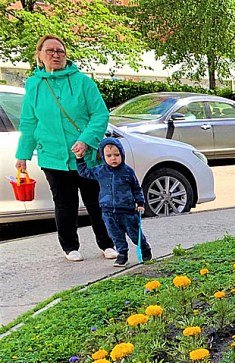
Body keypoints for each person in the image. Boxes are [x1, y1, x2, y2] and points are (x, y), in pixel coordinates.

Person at [14, 34, 118, 263]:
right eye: (50, 51)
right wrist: (22, 154)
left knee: (96, 201)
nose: (55, 55)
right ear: (40, 55)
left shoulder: (82, 82)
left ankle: (108, 243)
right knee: (64, 203)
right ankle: (70, 246)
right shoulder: (34, 85)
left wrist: (86, 140)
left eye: (60, 51)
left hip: (86, 156)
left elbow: (99, 114)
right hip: (52, 156)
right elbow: (29, 121)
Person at [76, 137, 151, 267]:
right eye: (109, 156)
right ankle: (122, 254)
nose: (113, 158)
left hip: (127, 211)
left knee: (134, 233)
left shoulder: (127, 171)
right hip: (108, 211)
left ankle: (144, 248)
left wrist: (140, 203)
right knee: (115, 235)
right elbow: (84, 172)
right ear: (103, 156)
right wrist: (79, 159)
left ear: (122, 154)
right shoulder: (100, 171)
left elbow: (136, 188)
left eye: (116, 155)